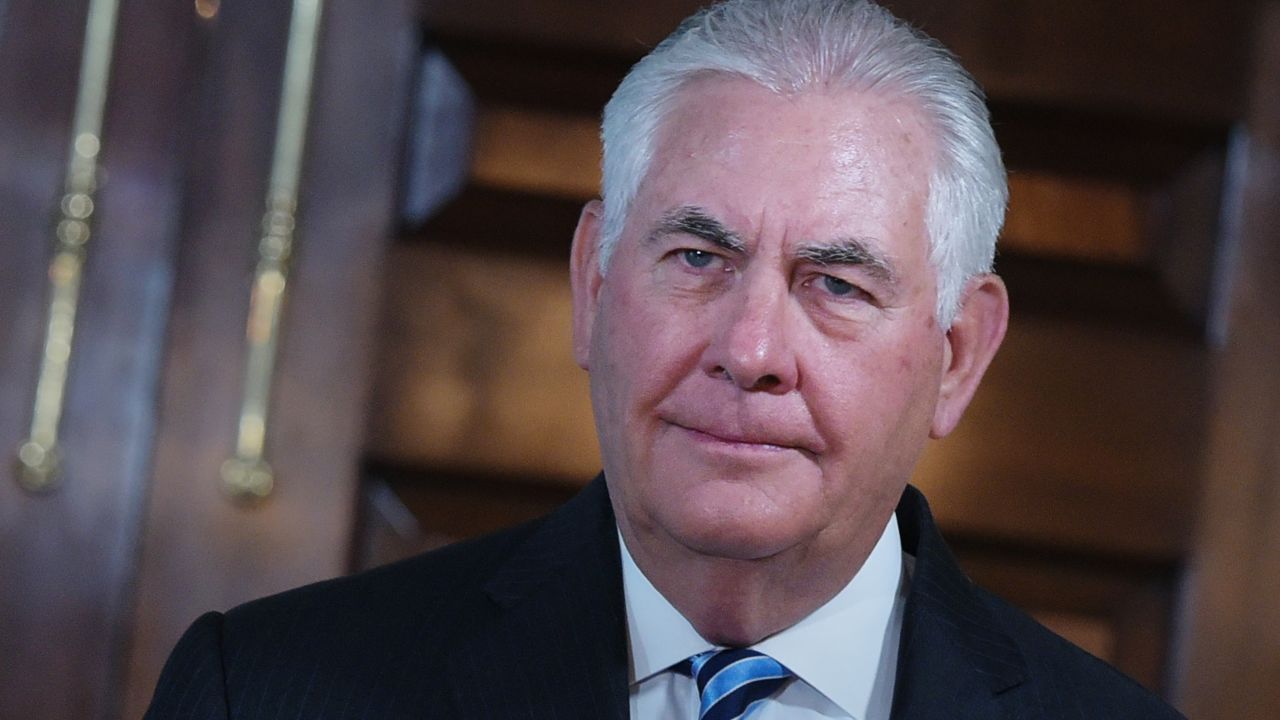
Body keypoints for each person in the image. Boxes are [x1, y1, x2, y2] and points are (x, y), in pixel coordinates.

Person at [145, 1, 1185, 718]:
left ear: (955, 357)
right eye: (697, 256)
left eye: (835, 284)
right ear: (594, 287)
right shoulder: (270, 691)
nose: (749, 350)